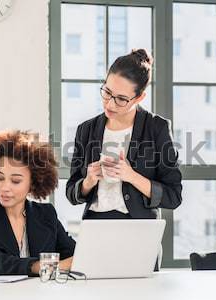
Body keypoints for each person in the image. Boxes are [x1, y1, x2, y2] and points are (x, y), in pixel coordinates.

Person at [66, 49, 182, 227]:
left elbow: (173, 197)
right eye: (107, 92)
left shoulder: (157, 128)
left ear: (139, 97)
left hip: (139, 228)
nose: (110, 103)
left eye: (121, 99)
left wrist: (131, 176)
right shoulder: (86, 129)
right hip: (95, 226)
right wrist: (88, 181)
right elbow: (71, 193)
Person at [0, 131, 75, 276]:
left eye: (15, 181)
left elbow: (73, 255)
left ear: (34, 182)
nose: (4, 187)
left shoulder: (46, 214)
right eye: (0, 178)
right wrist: (41, 267)